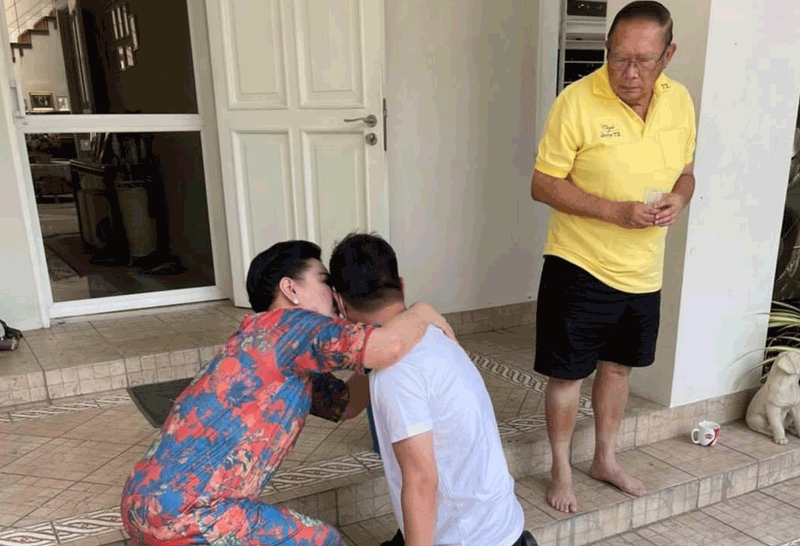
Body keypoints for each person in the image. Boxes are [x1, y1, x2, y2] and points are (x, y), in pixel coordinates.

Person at [120, 240, 455, 546]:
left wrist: (373, 366)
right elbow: (389, 346)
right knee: (322, 541)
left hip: (143, 502)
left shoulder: (270, 344)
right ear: (291, 289)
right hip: (192, 512)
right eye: (324, 281)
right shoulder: (293, 326)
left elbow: (347, 404)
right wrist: (419, 312)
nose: (334, 292)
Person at [530, 1, 696, 513]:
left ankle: (605, 459)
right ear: (606, 48)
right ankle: (561, 470)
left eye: (644, 60)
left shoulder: (679, 101)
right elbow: (542, 184)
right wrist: (613, 211)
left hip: (643, 270)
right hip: (579, 264)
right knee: (567, 374)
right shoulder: (576, 102)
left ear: (668, 55)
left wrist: (680, 197)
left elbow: (686, 172)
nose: (629, 72)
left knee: (619, 369)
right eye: (619, 57)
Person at [329, 232, 536, 546]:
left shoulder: (395, 374)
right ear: (401, 285)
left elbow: (421, 481)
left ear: (340, 303)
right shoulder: (431, 331)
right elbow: (345, 404)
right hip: (496, 525)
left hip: (470, 539)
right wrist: (418, 310)